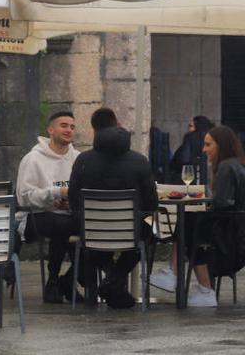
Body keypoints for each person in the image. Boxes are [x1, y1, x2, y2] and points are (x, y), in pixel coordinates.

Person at [68, 107, 158, 309]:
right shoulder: (140, 161)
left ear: (94, 131)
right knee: (146, 235)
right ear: (117, 125)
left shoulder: (83, 161)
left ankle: (108, 282)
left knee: (92, 244)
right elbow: (152, 203)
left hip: (92, 232)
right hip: (130, 234)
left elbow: (73, 199)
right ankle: (114, 281)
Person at [150, 125, 245, 307]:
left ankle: (198, 285)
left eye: (208, 144)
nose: (204, 149)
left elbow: (222, 203)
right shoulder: (236, 164)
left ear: (220, 145)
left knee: (188, 224)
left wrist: (204, 200)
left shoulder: (226, 166)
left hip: (228, 236)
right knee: (188, 222)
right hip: (234, 231)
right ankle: (177, 275)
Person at [15, 111, 81, 303]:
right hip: (36, 215)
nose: (69, 130)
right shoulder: (32, 159)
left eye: (72, 126)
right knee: (61, 225)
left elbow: (77, 191)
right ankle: (54, 280)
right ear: (50, 130)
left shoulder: (77, 158)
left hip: (67, 213)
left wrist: (69, 200)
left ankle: (67, 279)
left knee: (90, 227)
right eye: (64, 125)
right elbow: (24, 198)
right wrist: (55, 193)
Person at [169, 115, 214, 184]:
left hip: (189, 177)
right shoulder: (210, 137)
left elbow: (184, 158)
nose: (188, 128)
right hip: (205, 178)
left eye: (190, 126)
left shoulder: (190, 137)